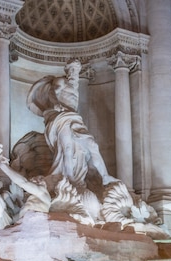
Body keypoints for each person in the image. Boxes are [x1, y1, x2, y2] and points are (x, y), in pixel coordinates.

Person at [26, 59, 117, 189]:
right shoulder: (61, 81)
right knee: (67, 149)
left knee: (92, 145)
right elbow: (53, 93)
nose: (74, 72)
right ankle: (69, 180)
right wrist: (56, 104)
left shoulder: (75, 85)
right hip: (61, 118)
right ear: (68, 70)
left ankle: (105, 176)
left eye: (76, 70)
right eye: (72, 69)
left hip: (74, 119)